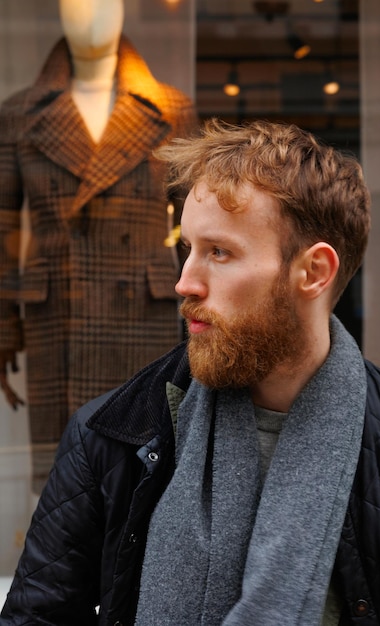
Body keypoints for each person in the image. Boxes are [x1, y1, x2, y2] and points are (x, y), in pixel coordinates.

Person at [2, 119, 380, 626]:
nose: (184, 283)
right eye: (187, 248)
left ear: (313, 272)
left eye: (218, 253)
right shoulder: (109, 438)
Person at [0, 0, 197, 493]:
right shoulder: (20, 114)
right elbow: (2, 230)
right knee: (66, 480)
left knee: (143, 468)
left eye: (104, 1)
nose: (89, 13)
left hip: (146, 316)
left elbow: (196, 226)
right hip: (57, 316)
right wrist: (3, 329)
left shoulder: (170, 109)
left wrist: (205, 317)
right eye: (74, 1)